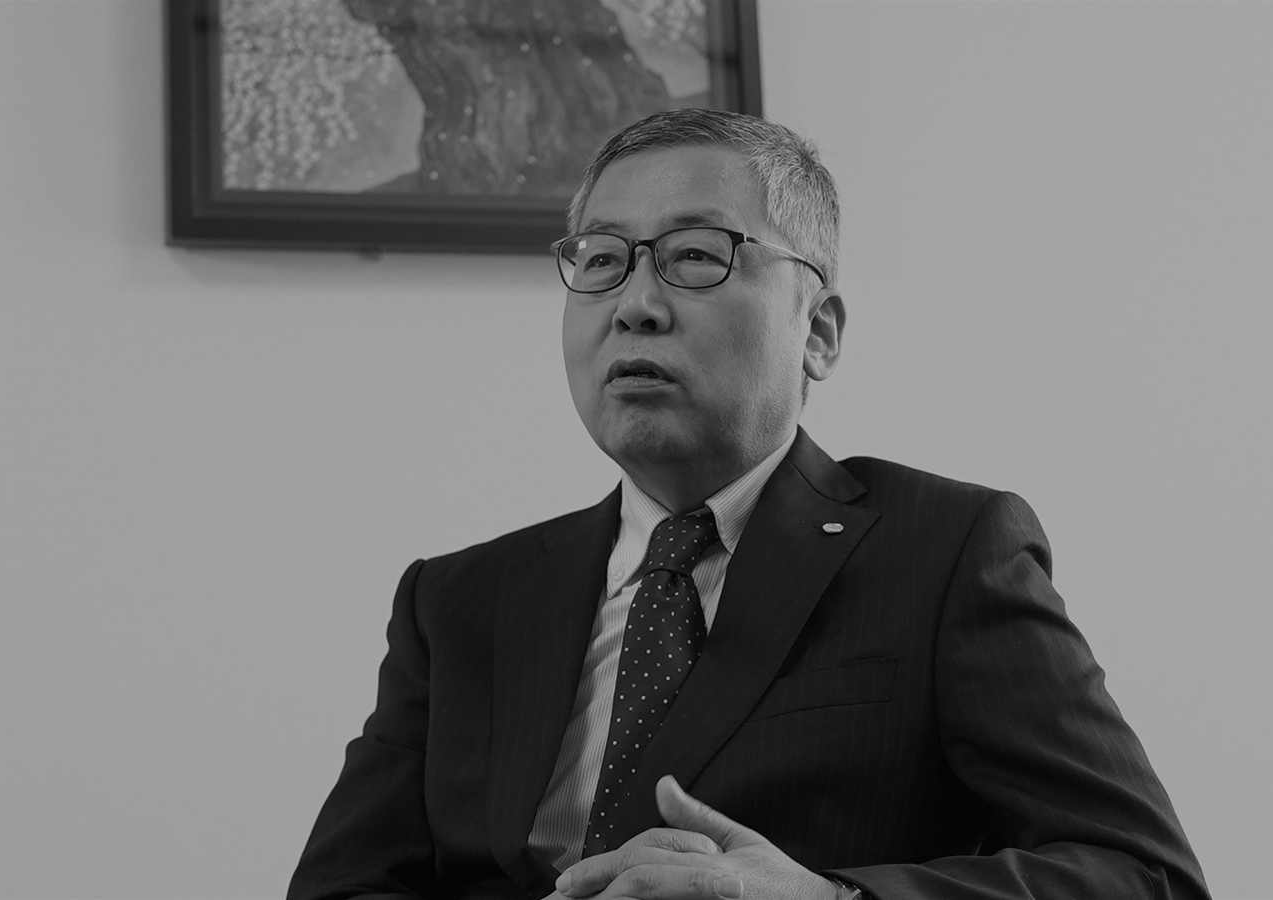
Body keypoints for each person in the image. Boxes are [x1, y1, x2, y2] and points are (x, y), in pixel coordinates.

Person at [287, 108, 1209, 900]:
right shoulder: (459, 601)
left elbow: (1141, 875)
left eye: (694, 256)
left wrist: (828, 899)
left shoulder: (946, 551)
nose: (635, 304)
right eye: (602, 260)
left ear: (819, 332)